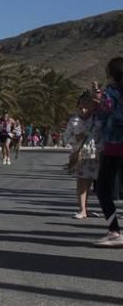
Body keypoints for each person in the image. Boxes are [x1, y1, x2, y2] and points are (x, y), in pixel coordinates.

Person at [92, 57, 123, 247]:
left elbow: (103, 114)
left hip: (114, 145)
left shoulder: (110, 93)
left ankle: (114, 230)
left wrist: (98, 104)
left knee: (103, 188)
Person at [63, 91, 101, 220]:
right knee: (81, 182)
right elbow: (66, 138)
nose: (83, 108)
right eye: (81, 105)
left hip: (94, 154)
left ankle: (86, 208)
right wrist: (76, 138)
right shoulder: (74, 120)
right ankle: (81, 209)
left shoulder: (97, 119)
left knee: (89, 182)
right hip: (80, 154)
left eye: (87, 104)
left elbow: (102, 135)